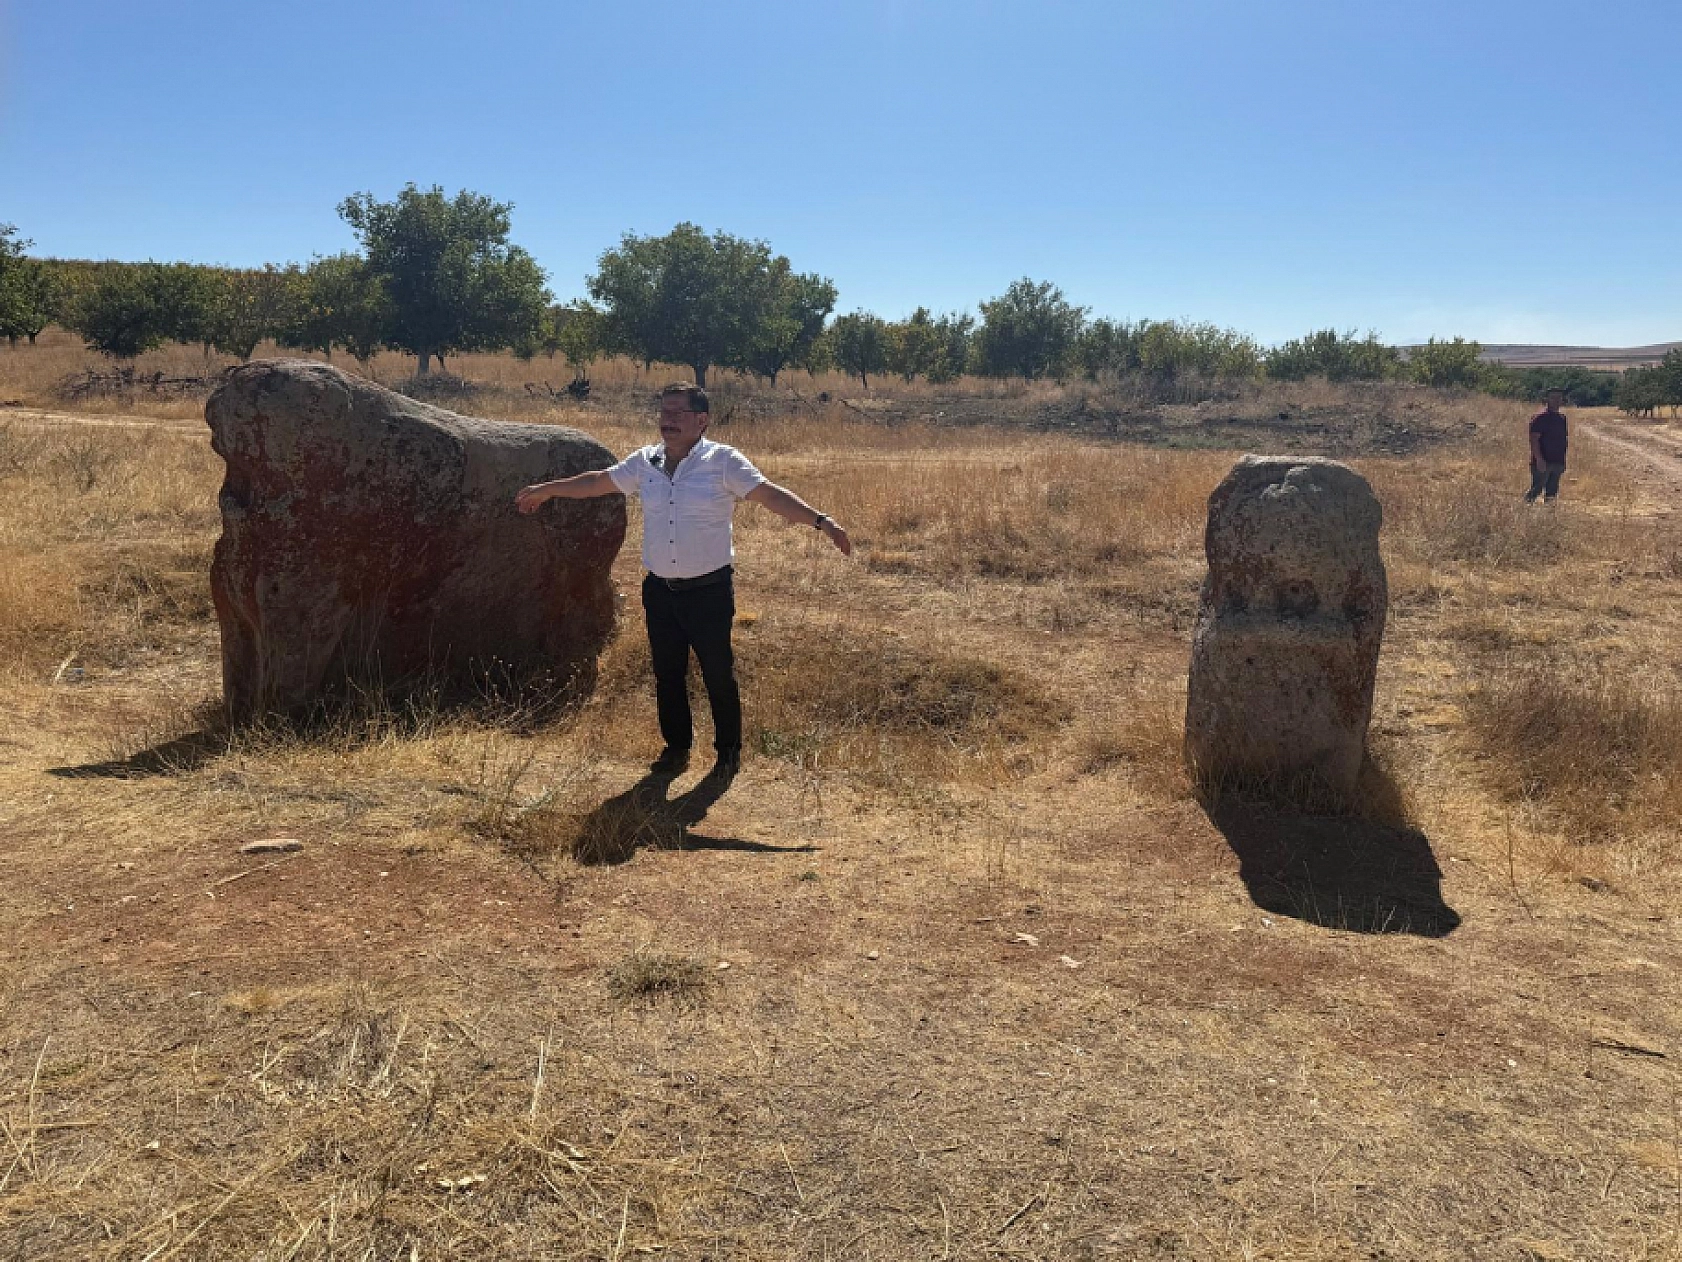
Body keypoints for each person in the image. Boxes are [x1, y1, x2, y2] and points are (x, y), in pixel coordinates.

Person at [515, 383, 852, 782]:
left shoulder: (723, 461)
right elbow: (597, 482)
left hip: (708, 591)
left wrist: (822, 522)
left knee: (717, 672)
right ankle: (676, 749)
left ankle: (728, 752)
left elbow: (768, 496)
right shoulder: (647, 461)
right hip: (659, 590)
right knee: (667, 673)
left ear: (701, 420)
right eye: (664, 412)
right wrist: (547, 490)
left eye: (677, 412)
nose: (667, 420)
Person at [1525, 388, 1569, 502]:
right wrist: (1539, 459)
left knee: (1552, 493)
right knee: (1536, 490)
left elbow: (1563, 440)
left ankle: (1549, 517)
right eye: (1553, 397)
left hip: (1557, 462)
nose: (1556, 400)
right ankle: (1524, 510)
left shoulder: (1562, 419)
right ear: (1547, 399)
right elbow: (1534, 440)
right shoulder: (1540, 418)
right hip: (1543, 462)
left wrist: (1563, 461)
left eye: (1559, 397)